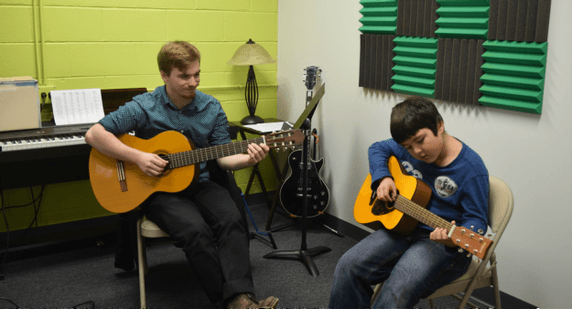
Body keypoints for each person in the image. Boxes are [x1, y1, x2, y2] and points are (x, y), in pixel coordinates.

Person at [85, 41, 278, 308]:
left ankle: (242, 299)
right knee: (195, 230)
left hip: (200, 184)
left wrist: (247, 159)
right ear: (164, 75)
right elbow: (94, 134)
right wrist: (139, 157)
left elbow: (223, 157)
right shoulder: (144, 106)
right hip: (159, 190)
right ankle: (232, 303)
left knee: (232, 218)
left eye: (197, 74)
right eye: (184, 76)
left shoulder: (211, 107)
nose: (193, 82)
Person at [328, 96, 489, 308]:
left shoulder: (471, 169)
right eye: (408, 146)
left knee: (398, 287)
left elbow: (476, 221)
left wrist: (451, 238)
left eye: (420, 141)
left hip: (442, 245)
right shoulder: (408, 147)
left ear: (439, 125)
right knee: (348, 266)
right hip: (403, 227)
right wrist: (383, 177)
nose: (416, 152)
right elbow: (377, 148)